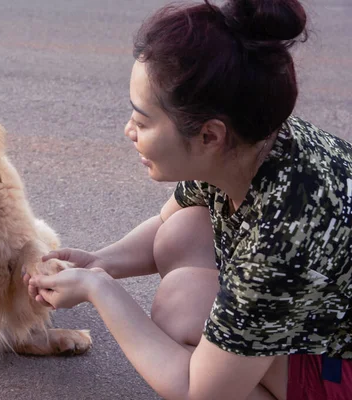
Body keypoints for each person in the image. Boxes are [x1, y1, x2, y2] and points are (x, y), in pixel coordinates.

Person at [24, 0, 352, 399]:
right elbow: (168, 220)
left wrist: (101, 290)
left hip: (339, 366)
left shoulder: (281, 236)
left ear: (210, 136)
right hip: (317, 312)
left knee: (182, 307)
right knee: (182, 230)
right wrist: (100, 262)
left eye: (142, 121)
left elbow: (199, 389)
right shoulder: (252, 134)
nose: (129, 130)